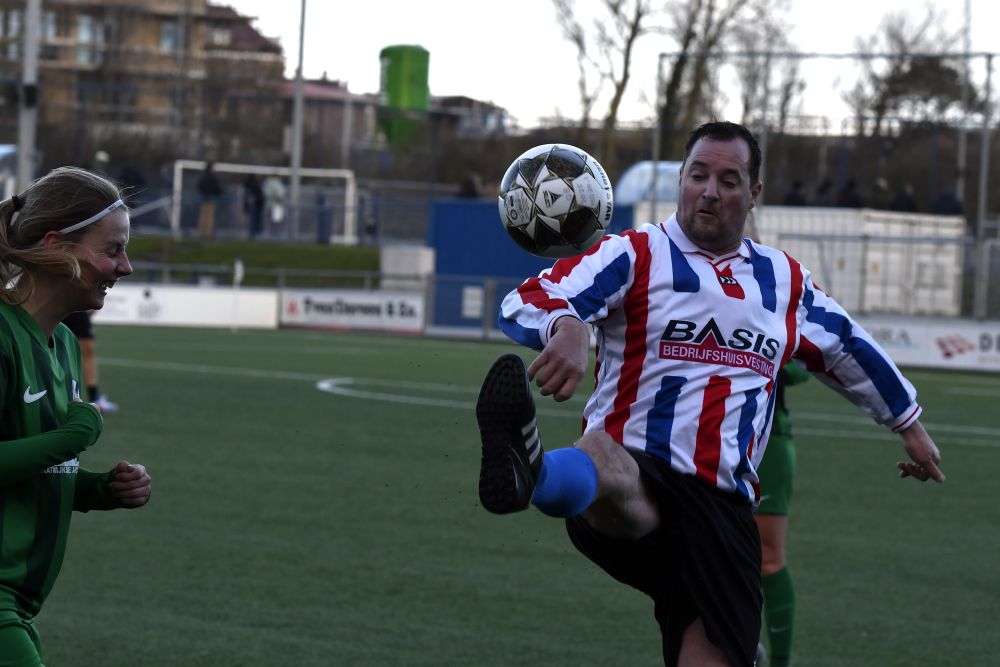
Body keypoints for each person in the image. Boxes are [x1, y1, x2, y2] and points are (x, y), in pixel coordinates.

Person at [475, 121, 944, 667]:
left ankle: (539, 474)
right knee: (602, 452)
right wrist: (568, 325)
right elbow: (531, 295)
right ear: (681, 179)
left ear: (754, 193)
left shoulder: (783, 281)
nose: (710, 191)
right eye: (698, 175)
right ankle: (531, 473)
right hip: (636, 479)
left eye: (728, 180)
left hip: (722, 511)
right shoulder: (636, 252)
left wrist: (908, 423)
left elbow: (846, 345)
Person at [0, 166, 152, 665]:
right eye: (113, 249)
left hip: (21, 604)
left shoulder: (63, 343)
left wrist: (98, 490)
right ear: (57, 246)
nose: (125, 267)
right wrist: (73, 436)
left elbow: (31, 469)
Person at [753, 362, 810, 667]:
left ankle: (779, 662)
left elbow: (805, 363)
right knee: (702, 549)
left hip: (766, 439)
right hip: (700, 432)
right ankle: (732, 637)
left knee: (767, 557)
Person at [62, 310, 118, 413]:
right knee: (54, 348)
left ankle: (94, 398)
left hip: (78, 309)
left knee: (88, 350)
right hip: (58, 307)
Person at [196, 160, 222, 239]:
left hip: (204, 197)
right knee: (210, 216)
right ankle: (209, 233)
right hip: (211, 197)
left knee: (203, 216)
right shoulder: (213, 176)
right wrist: (218, 193)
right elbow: (216, 187)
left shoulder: (203, 176)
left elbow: (199, 186)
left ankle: (201, 233)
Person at [242, 173, 265, 238]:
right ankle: (254, 232)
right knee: (254, 219)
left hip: (256, 204)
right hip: (255, 205)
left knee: (253, 219)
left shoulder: (249, 186)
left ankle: (254, 232)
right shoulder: (255, 185)